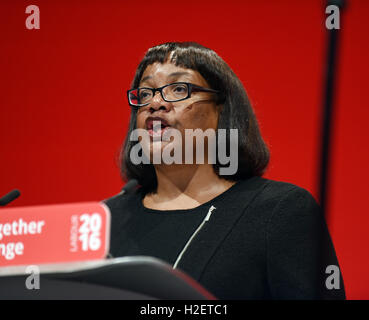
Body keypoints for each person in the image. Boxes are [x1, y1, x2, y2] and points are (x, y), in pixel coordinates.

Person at [105, 42, 345, 300]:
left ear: (222, 109)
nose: (155, 103)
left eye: (178, 89)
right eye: (144, 94)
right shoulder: (106, 220)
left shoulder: (280, 211)